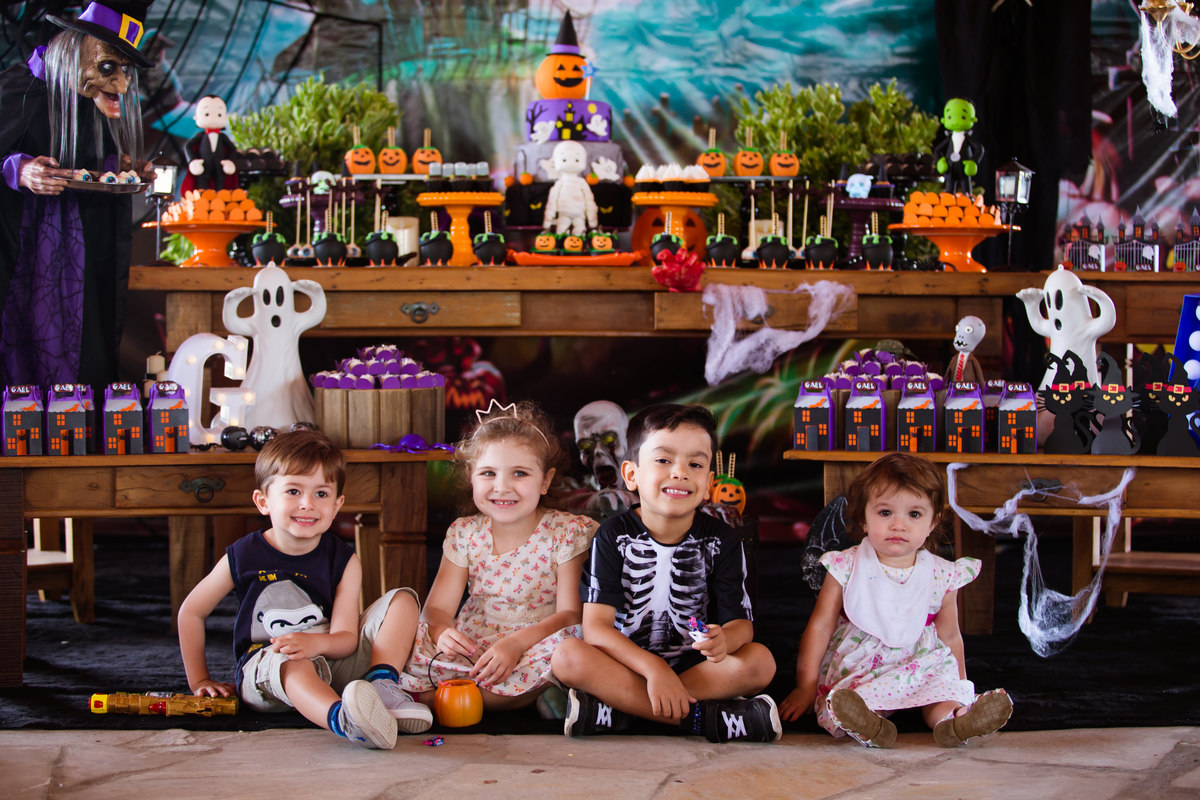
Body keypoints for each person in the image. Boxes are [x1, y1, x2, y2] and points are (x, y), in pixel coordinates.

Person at [178, 429, 432, 750]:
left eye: (321, 494)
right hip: (270, 665)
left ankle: (380, 684)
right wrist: (200, 680)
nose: (308, 504)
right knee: (292, 660)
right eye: (293, 491)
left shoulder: (343, 558)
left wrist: (316, 644)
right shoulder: (243, 555)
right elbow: (192, 611)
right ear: (263, 501)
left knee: (403, 599)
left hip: (330, 656)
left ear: (338, 504)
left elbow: (345, 639)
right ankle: (345, 719)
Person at [551, 403, 781, 743]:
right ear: (631, 474)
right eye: (663, 460)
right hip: (626, 666)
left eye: (695, 464)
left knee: (761, 661)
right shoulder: (612, 536)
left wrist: (725, 641)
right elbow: (597, 629)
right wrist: (653, 668)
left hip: (696, 670)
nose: (680, 472)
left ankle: (621, 711)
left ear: (708, 483)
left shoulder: (722, 540)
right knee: (568, 656)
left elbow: (741, 625)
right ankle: (705, 720)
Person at [779, 452, 1013, 748]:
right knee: (851, 697)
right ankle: (870, 724)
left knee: (941, 688)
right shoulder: (845, 566)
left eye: (914, 514)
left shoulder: (942, 574)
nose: (898, 525)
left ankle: (954, 719)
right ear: (864, 518)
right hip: (864, 664)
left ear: (933, 522)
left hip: (922, 661)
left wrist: (960, 685)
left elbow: (950, 634)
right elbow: (820, 626)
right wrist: (805, 686)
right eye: (885, 513)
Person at [392, 399, 598, 716]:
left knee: (566, 651)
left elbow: (570, 614)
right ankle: (526, 698)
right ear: (471, 477)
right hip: (478, 640)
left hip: (538, 639)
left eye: (520, 473)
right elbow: (436, 609)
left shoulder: (565, 532)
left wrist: (515, 644)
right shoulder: (465, 534)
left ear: (544, 480)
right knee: (412, 643)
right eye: (488, 473)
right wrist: (444, 633)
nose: (502, 487)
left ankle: (430, 706)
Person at [0, 1, 155, 387]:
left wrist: (121, 170)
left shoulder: (86, 102)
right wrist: (19, 169)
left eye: (124, 70)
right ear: (76, 50)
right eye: (108, 67)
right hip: (19, 250)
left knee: (82, 344)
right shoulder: (15, 91)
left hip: (75, 255)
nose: (121, 84)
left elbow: (88, 162)